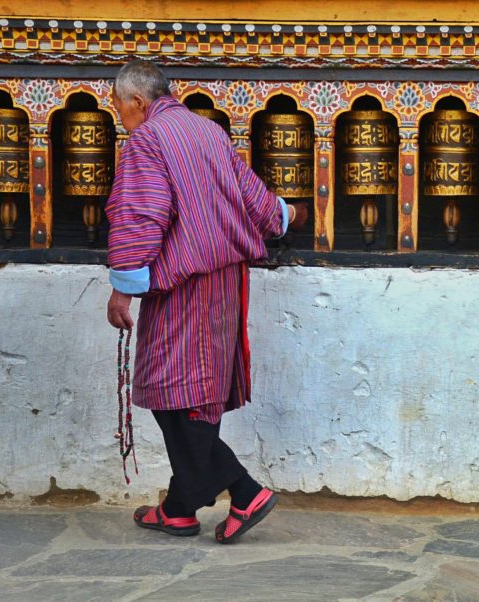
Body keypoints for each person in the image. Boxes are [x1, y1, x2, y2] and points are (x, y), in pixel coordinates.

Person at [104, 60, 307, 543]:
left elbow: (140, 213)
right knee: (192, 388)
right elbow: (249, 194)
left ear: (137, 101)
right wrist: (284, 215)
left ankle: (244, 490)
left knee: (177, 391)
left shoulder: (147, 140)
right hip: (225, 281)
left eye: (119, 107)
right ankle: (178, 508)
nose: (120, 117)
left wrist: (123, 286)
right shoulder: (209, 131)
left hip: (185, 281)